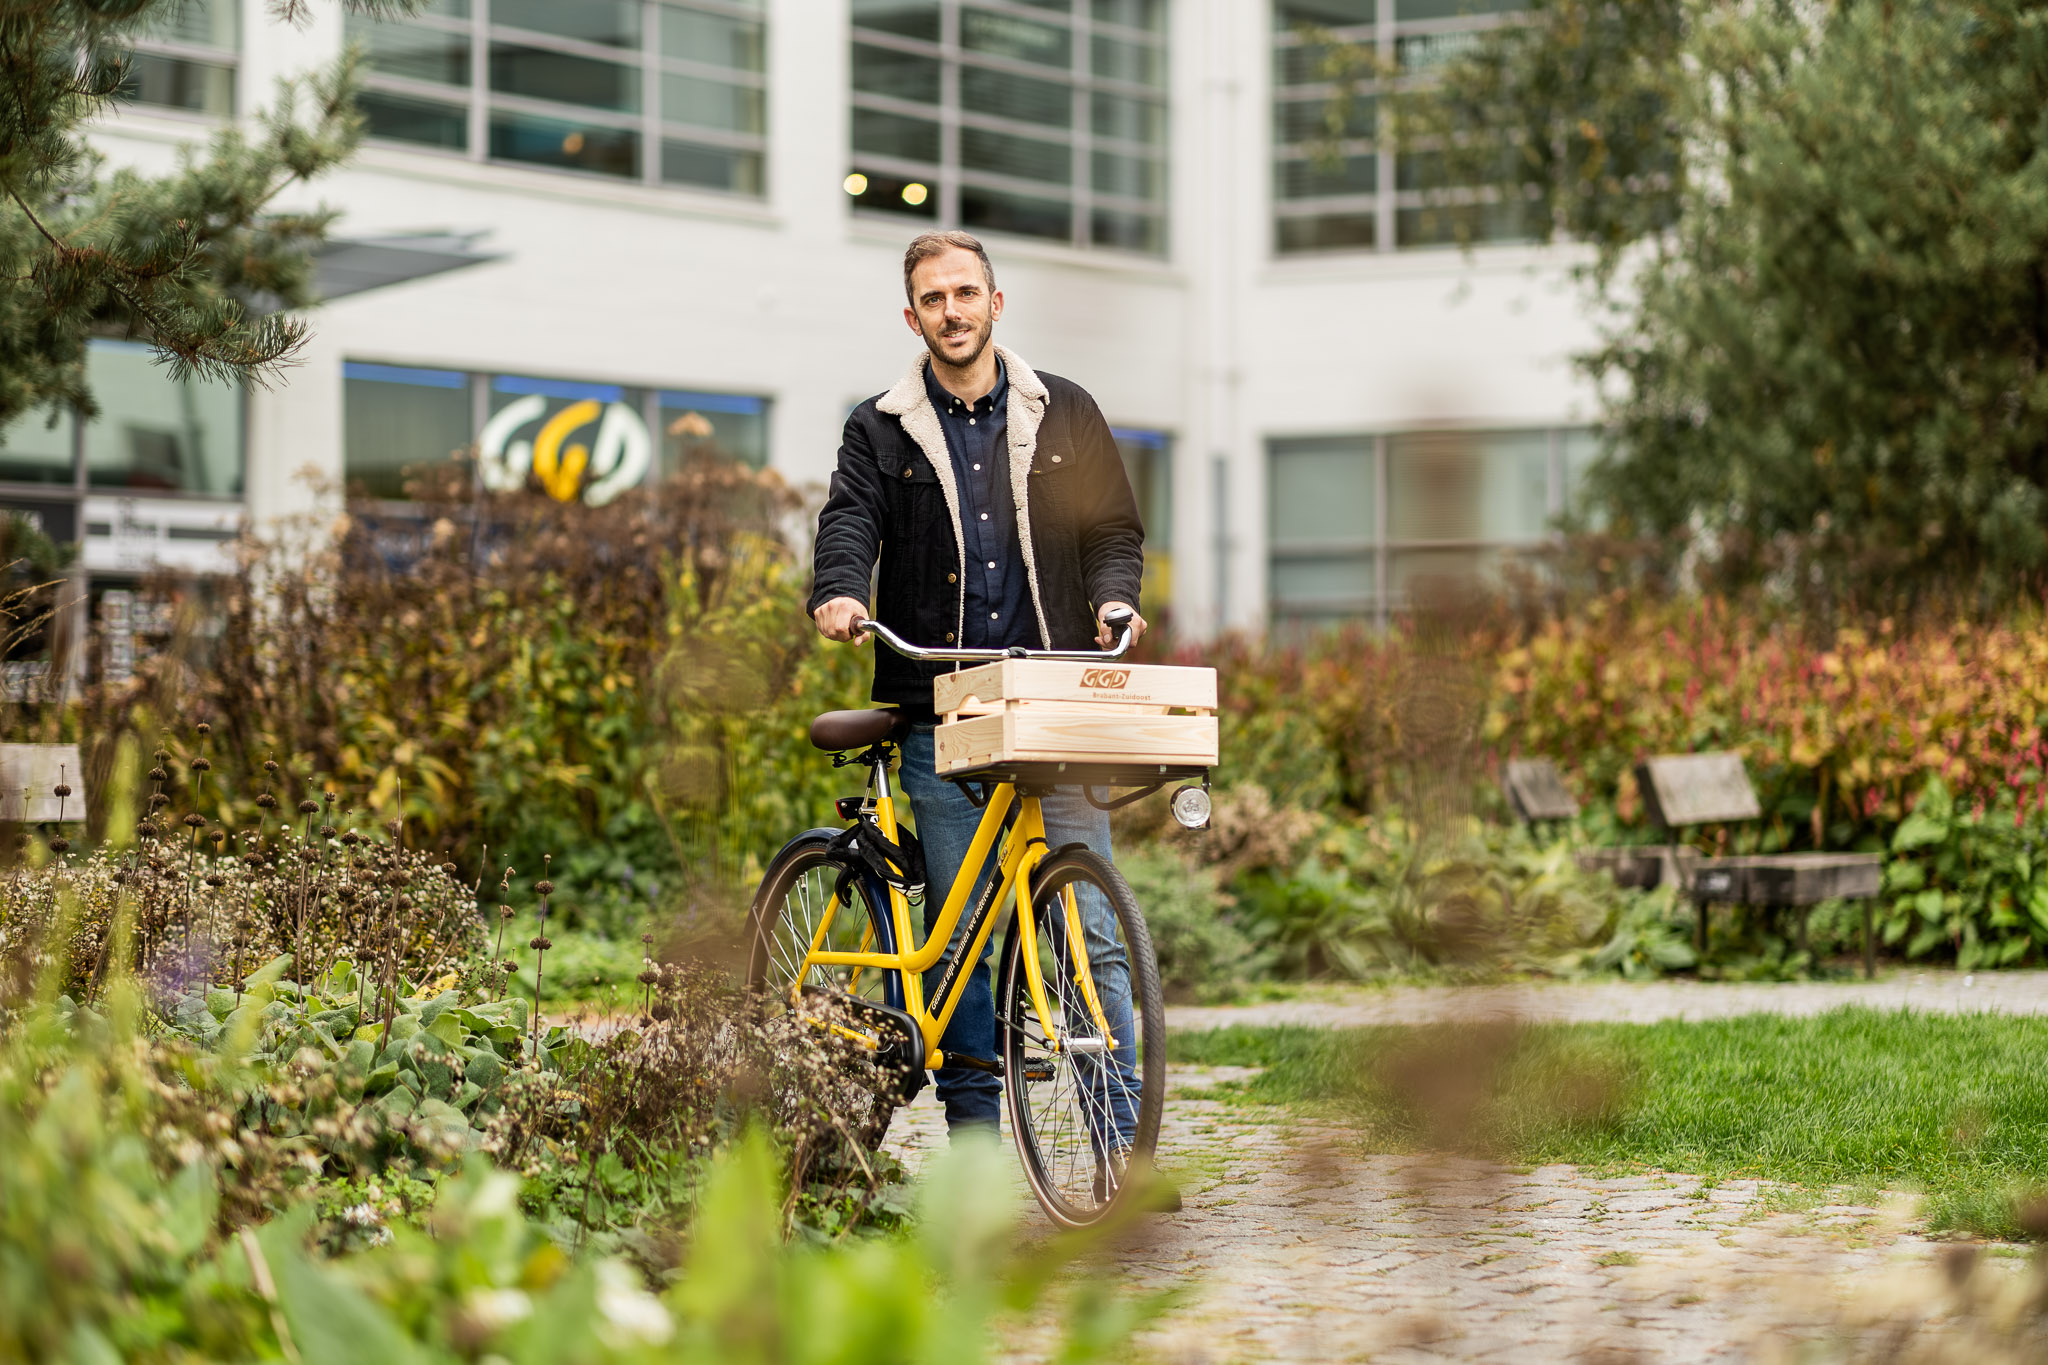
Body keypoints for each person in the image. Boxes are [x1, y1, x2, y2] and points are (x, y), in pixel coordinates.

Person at [808, 230, 1148, 1158]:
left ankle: (1123, 1152)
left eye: (967, 292)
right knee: (967, 939)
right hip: (939, 706)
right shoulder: (878, 426)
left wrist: (1117, 594)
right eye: (933, 298)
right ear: (912, 316)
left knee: (1094, 932)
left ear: (997, 303)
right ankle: (976, 1157)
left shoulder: (1065, 411)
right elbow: (850, 519)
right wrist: (840, 590)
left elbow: (1113, 527)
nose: (952, 311)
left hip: (1050, 697)